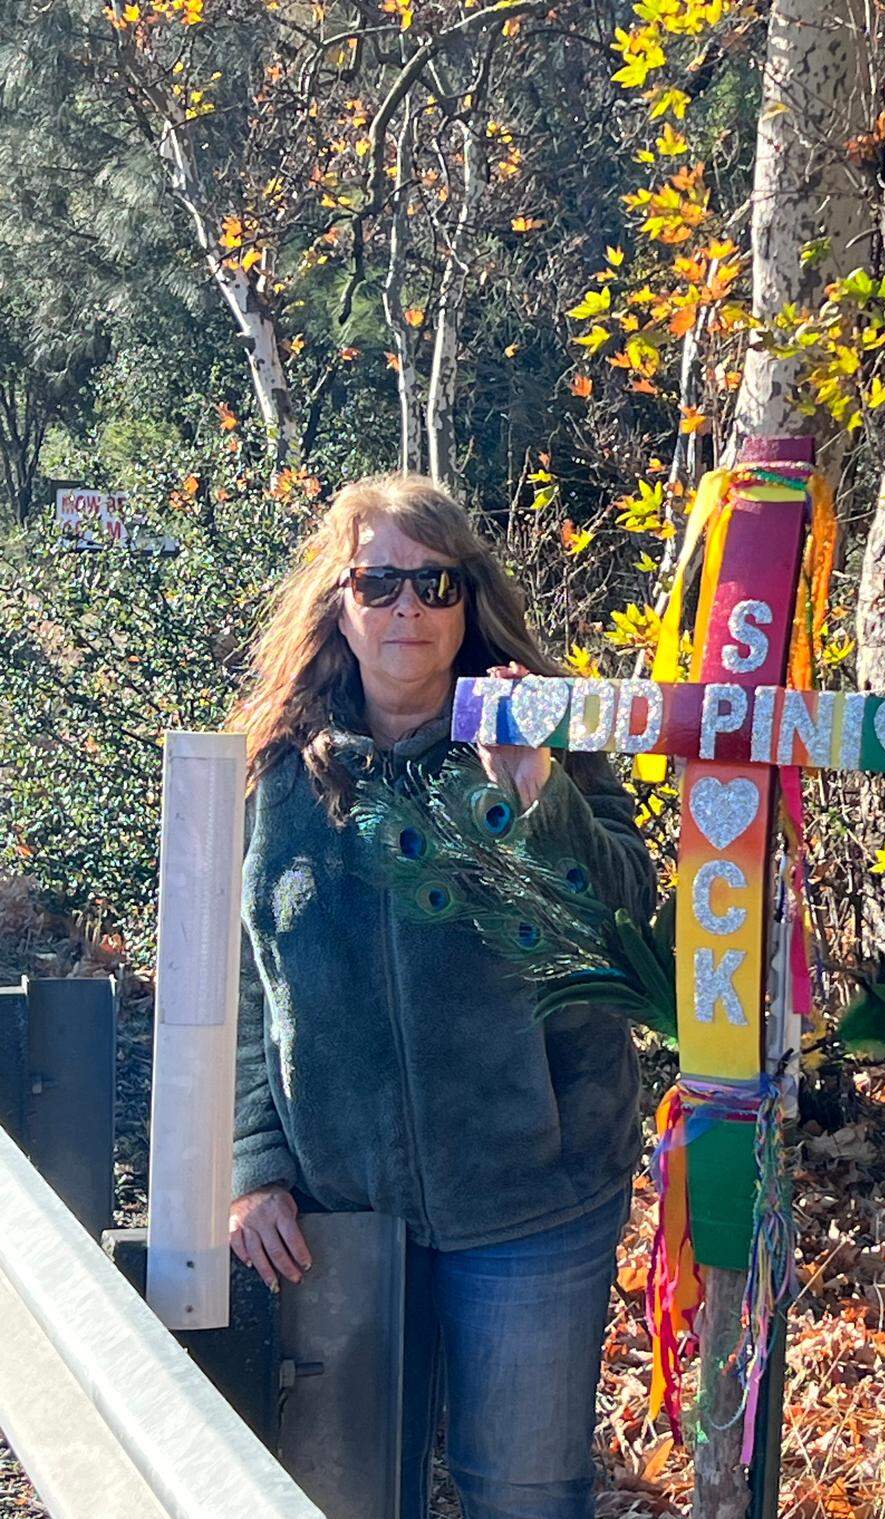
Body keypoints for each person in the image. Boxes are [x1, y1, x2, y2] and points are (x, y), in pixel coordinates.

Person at [225, 472, 657, 1519]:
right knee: (345, 1492)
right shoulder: (279, 775)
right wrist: (256, 1163)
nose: (407, 607)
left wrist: (535, 791)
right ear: (338, 601)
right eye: (379, 582)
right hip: (341, 1210)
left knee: (520, 1492)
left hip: (532, 1200)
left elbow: (628, 927)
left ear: (472, 599)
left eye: (434, 582)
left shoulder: (544, 737)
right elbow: (251, 979)